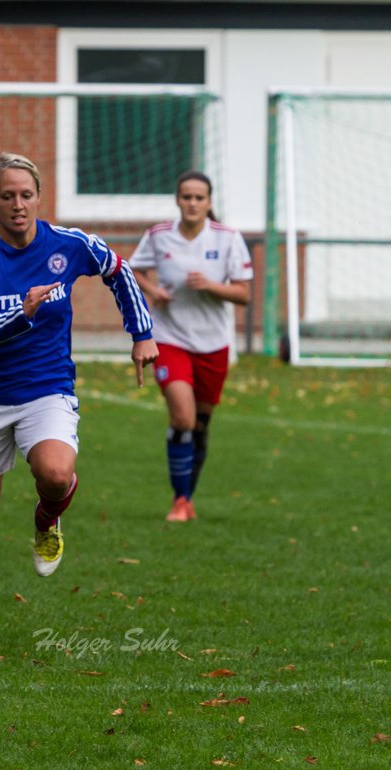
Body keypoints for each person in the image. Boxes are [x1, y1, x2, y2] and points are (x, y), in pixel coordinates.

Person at [0, 152, 157, 638]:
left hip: (47, 387)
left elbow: (117, 270)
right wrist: (22, 313)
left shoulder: (69, 244)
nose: (18, 205)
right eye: (7, 196)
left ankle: (47, 521)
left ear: (39, 197)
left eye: (26, 195)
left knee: (56, 473)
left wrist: (142, 333)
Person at [130, 171, 253, 522]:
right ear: (177, 200)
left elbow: (243, 293)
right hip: (169, 339)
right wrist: (154, 292)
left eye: (199, 198)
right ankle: (180, 500)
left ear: (209, 202)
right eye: (187, 197)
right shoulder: (158, 236)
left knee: (200, 424)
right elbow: (133, 270)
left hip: (213, 343)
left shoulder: (228, 238)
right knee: (183, 417)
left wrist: (212, 286)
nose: (193, 203)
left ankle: (188, 496)